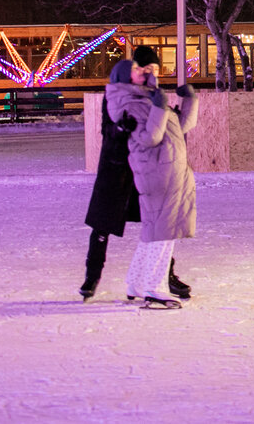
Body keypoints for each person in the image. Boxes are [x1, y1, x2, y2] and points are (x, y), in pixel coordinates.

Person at [79, 47, 191, 302]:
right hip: (117, 168)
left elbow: (166, 126)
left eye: (155, 70)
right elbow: (108, 129)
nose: (151, 73)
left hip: (143, 169)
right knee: (102, 225)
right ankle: (92, 276)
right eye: (147, 69)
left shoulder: (150, 93)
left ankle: (163, 276)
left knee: (155, 224)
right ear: (136, 70)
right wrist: (121, 129)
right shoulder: (119, 94)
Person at [105, 55, 199, 309]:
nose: (142, 70)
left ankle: (136, 282)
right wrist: (158, 106)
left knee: (153, 229)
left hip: (167, 171)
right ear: (125, 78)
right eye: (136, 69)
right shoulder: (128, 104)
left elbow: (181, 127)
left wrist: (189, 100)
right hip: (156, 173)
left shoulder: (145, 97)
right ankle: (155, 289)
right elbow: (150, 138)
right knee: (163, 230)